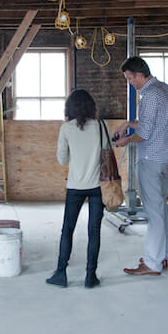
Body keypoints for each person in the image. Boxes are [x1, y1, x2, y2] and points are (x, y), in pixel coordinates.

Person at [112, 56, 168, 277]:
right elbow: (153, 124)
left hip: (149, 159)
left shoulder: (148, 96)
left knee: (154, 212)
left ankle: (152, 263)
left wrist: (126, 140)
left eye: (130, 78)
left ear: (140, 75)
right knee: (161, 208)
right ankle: (161, 256)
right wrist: (129, 124)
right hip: (164, 157)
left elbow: (145, 133)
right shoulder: (164, 90)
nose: (130, 83)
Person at [47, 89, 105, 289]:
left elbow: (62, 159)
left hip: (75, 187)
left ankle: (61, 273)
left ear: (69, 108)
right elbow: (105, 153)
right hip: (97, 186)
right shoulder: (100, 126)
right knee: (94, 232)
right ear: (91, 107)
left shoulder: (67, 129)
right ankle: (90, 276)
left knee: (67, 230)